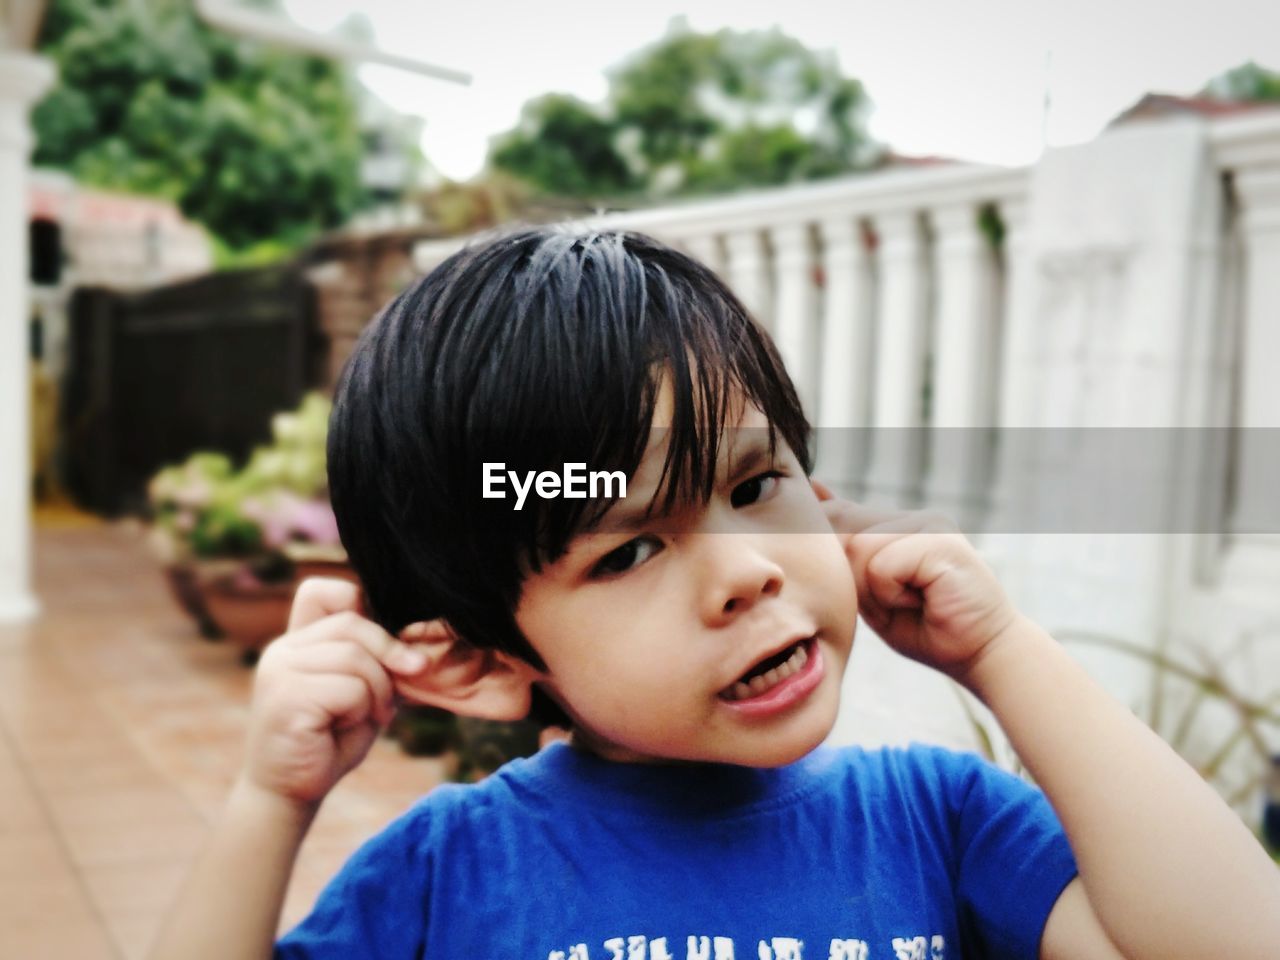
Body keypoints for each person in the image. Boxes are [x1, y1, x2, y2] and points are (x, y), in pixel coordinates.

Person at [150, 229, 1280, 960]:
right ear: (481, 664)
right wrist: (269, 803)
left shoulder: (941, 825)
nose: (745, 570)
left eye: (752, 484)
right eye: (627, 552)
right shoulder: (448, 875)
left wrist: (1000, 649)